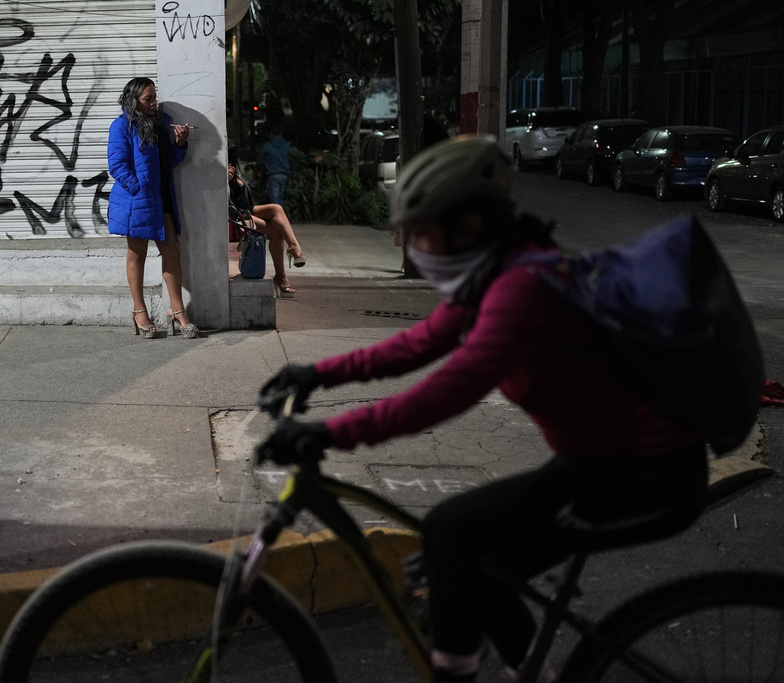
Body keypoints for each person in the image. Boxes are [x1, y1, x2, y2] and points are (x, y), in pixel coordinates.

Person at [257, 135, 708, 682]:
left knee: (452, 530)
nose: (415, 247)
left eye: (423, 233)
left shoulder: (523, 287)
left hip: (649, 472)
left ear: (467, 228)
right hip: (599, 457)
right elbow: (418, 344)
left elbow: (446, 391)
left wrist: (329, 434)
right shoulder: (498, 270)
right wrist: (318, 373)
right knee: (481, 567)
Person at [107, 76, 198, 339]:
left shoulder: (160, 124)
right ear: (133, 100)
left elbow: (168, 162)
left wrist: (180, 143)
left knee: (172, 251)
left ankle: (177, 311)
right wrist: (139, 190)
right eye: (148, 99)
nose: (154, 103)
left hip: (162, 199)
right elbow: (117, 165)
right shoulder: (121, 126)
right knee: (137, 254)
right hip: (138, 201)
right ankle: (139, 312)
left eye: (154, 97)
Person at [228, 146, 306, 298]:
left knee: (276, 208)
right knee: (277, 234)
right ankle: (282, 277)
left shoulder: (234, 170)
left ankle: (294, 247)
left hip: (247, 210)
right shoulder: (221, 172)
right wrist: (226, 179)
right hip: (237, 216)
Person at [257, 127, 291, 207]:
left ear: (271, 134)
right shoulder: (286, 145)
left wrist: (262, 168)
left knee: (274, 198)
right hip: (284, 174)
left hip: (273, 174)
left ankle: (276, 217)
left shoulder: (267, 146)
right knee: (280, 197)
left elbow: (260, 159)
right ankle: (281, 215)